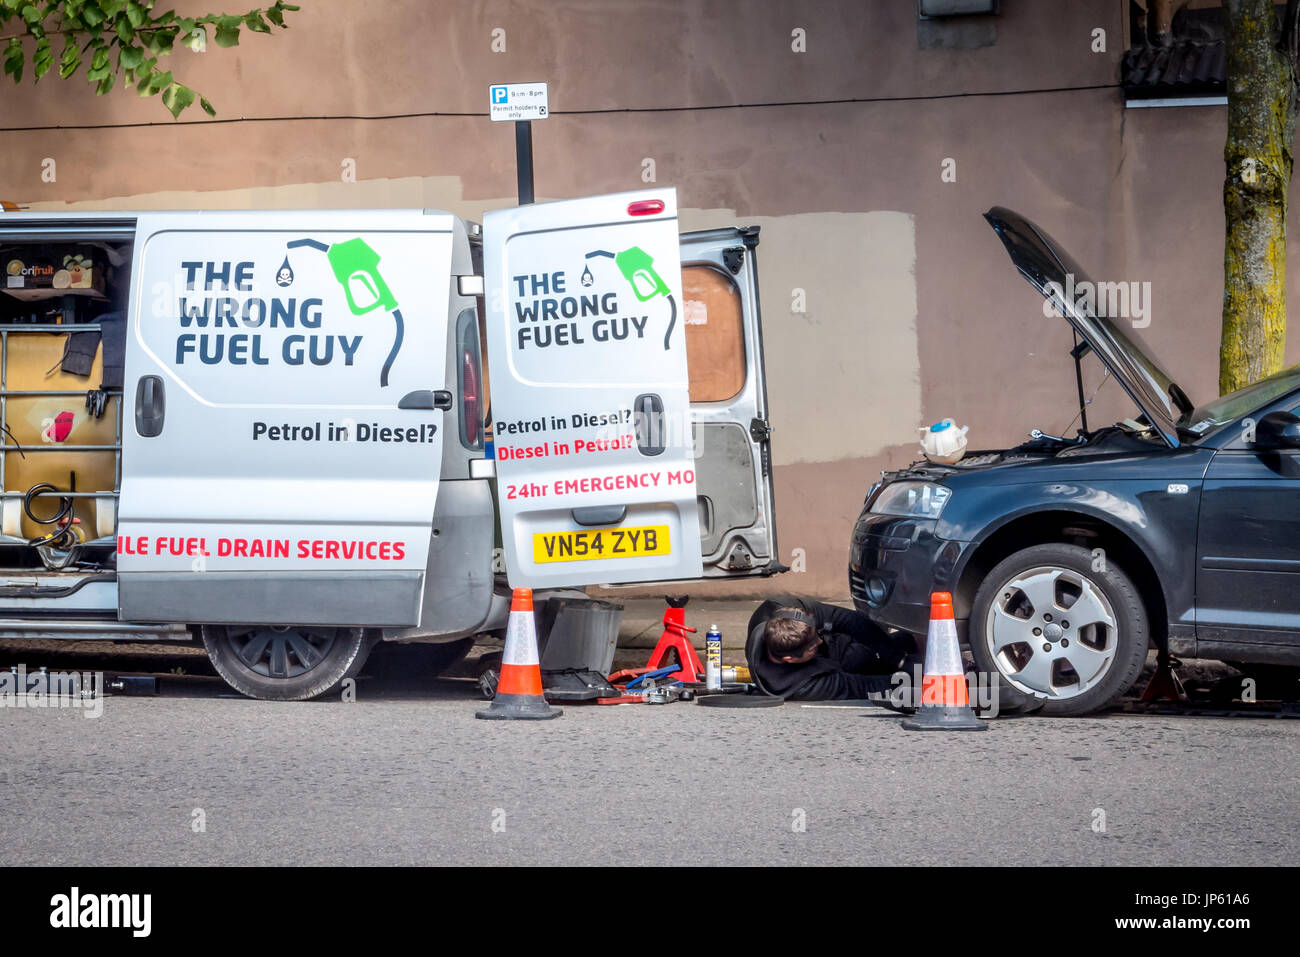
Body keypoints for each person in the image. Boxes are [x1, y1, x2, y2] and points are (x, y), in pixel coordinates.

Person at [745, 596, 919, 702]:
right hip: (839, 665)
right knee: (872, 662)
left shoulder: (781, 609)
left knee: (904, 640)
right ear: (790, 659)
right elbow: (862, 686)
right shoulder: (799, 686)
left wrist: (898, 658)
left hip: (838, 643)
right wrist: (919, 682)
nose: (819, 641)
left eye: (817, 635)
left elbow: (846, 619)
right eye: (813, 646)